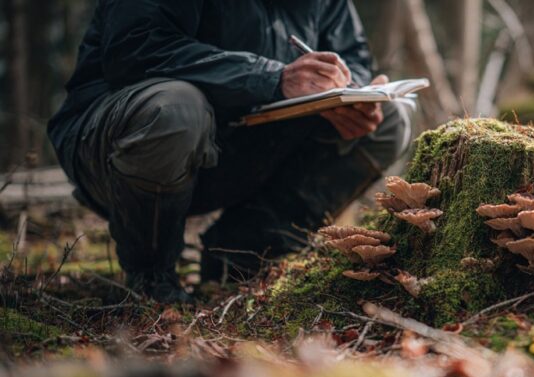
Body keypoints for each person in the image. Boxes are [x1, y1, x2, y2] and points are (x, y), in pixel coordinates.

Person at [47, 0, 412, 304]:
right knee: (175, 108)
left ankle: (242, 257)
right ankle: (151, 278)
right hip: (119, 147)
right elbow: (135, 49)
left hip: (242, 149)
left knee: (389, 118)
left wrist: (351, 92)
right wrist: (272, 78)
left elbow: (350, 54)